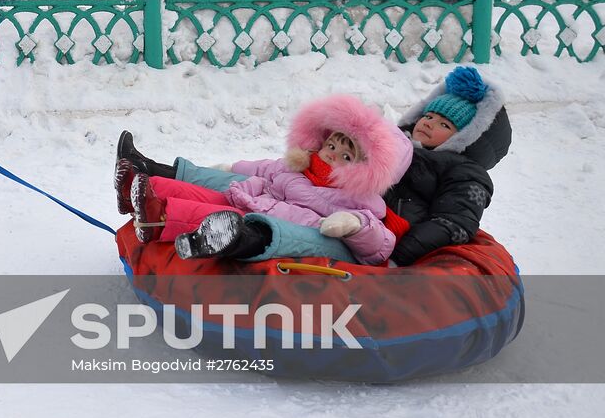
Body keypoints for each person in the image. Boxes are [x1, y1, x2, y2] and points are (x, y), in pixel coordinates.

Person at [113, 66, 511, 267]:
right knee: (253, 180)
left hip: (369, 231)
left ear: (467, 137)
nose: (428, 124)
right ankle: (149, 172)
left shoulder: (464, 173)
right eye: (429, 115)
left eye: (445, 125)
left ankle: (237, 239)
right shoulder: (391, 143)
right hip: (330, 198)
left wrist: (397, 256)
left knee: (306, 230)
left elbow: (454, 222)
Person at [116, 95, 411, 265]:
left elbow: (381, 244)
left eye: (346, 157)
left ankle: (172, 222)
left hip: (293, 233)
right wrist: (231, 167)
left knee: (238, 218)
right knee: (223, 191)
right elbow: (262, 168)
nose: (333, 156)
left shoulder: (360, 199)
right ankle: (144, 181)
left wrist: (354, 226)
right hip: (257, 203)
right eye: (331, 146)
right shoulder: (298, 166)